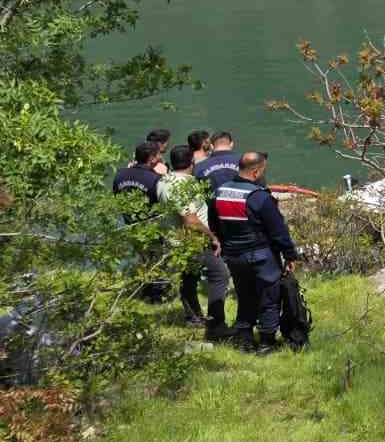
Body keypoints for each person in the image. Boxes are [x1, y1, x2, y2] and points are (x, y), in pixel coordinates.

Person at [208, 151, 300, 353]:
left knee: (245, 296)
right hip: (260, 256)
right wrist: (290, 255)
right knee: (269, 297)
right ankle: (267, 341)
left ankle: (244, 338)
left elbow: (213, 224)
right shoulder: (259, 197)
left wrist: (223, 244)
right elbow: (278, 230)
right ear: (256, 171)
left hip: (234, 257)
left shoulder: (219, 192)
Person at [163, 145, 230, 337]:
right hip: (193, 240)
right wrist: (213, 236)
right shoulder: (186, 185)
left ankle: (193, 317)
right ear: (191, 163)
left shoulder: (164, 180)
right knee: (220, 275)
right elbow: (191, 220)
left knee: (189, 278)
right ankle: (216, 325)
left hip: (174, 240)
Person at [111, 142, 163, 217]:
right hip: (151, 223)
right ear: (152, 158)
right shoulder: (156, 179)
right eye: (159, 154)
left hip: (127, 221)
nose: (160, 157)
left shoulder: (120, 174)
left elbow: (116, 196)